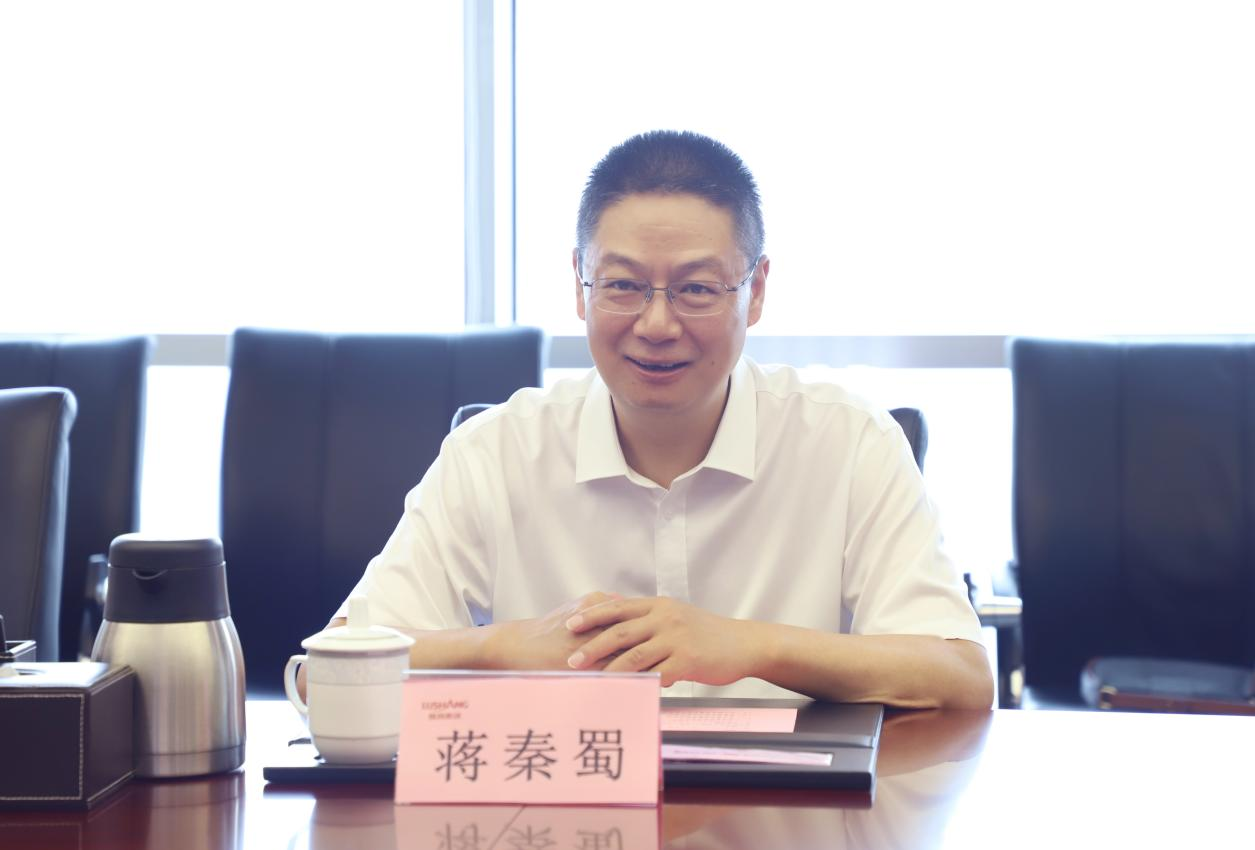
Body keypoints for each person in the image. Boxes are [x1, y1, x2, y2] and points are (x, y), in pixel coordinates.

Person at [332, 130, 993, 709]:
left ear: (756, 291)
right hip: (568, 795)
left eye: (696, 289)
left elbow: (961, 677)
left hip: (788, 800)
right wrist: (504, 646)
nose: (655, 324)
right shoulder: (496, 452)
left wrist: (749, 645)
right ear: (579, 282)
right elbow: (327, 670)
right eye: (622, 285)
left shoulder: (848, 443)